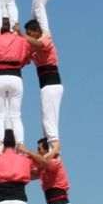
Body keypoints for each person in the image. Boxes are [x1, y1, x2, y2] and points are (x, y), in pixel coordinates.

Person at [24, 20, 63, 153]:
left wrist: (21, 36)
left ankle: (55, 148)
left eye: (30, 34)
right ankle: (49, 146)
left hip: (52, 85)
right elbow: (26, 59)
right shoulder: (34, 48)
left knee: (49, 118)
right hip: (45, 86)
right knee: (45, 119)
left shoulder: (46, 39)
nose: (28, 36)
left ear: (37, 32)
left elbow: (39, 44)